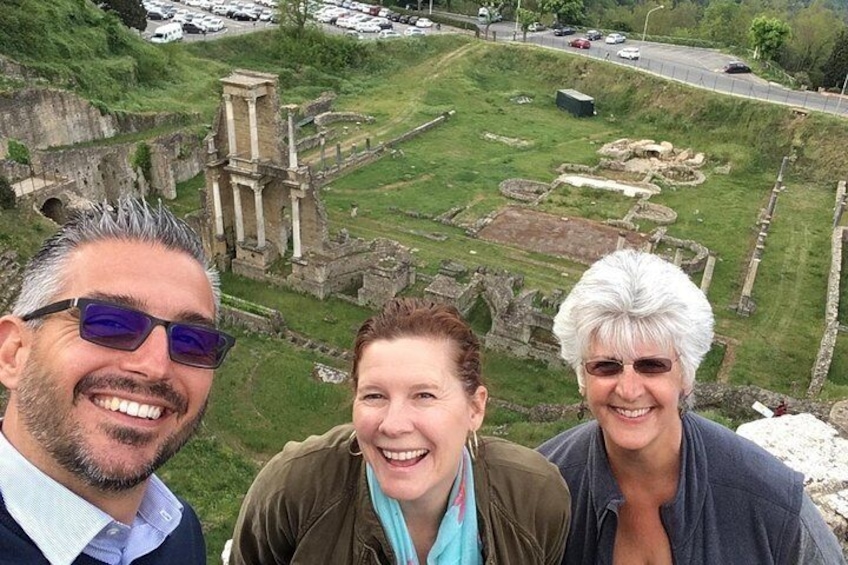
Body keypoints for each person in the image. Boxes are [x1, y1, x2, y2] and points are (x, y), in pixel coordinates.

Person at [538, 249, 846, 565]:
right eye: (605, 366)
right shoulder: (536, 490)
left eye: (652, 365)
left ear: (686, 375)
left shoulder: (772, 504)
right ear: (581, 377)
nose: (629, 390)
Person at [229, 297, 571, 564]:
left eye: (424, 395)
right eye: (374, 395)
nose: (393, 425)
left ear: (475, 408)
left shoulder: (535, 497)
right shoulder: (294, 490)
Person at [0, 198, 236, 564]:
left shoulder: (179, 533)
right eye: (109, 323)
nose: (156, 366)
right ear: (14, 352)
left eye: (193, 341)